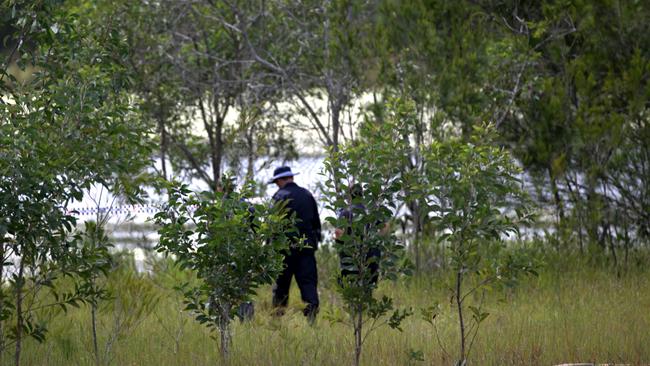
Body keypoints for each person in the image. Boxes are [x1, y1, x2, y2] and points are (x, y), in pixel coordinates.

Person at [269, 166, 321, 323]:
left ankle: (277, 323)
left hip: (284, 251)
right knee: (308, 285)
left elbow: (272, 227)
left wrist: (271, 249)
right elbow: (316, 224)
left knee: (281, 288)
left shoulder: (278, 197)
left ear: (279, 180)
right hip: (306, 250)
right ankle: (312, 321)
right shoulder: (307, 195)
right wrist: (313, 244)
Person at [334, 184, 381, 288]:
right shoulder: (370, 213)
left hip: (352, 260)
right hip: (370, 260)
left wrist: (341, 245)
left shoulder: (346, 212)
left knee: (351, 288)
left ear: (350, 195)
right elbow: (384, 228)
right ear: (362, 195)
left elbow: (338, 233)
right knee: (367, 289)